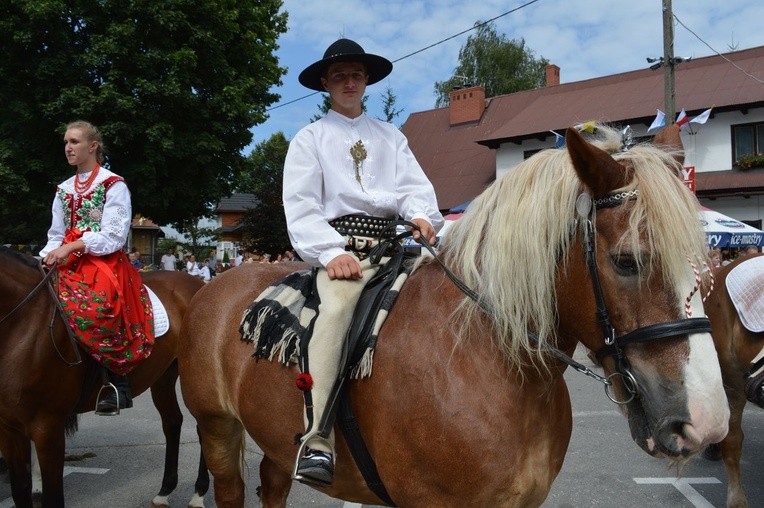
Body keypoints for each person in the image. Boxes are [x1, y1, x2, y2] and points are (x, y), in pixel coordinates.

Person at [283, 38, 443, 486]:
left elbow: (414, 187)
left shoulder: (391, 136)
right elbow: (301, 205)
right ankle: (317, 440)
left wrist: (418, 215)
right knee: (333, 313)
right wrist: (331, 252)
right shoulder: (309, 139)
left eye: (356, 74)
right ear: (325, 84)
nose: (349, 81)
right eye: (339, 76)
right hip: (341, 250)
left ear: (367, 80)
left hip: (396, 245)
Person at [39, 120, 154, 415]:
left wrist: (73, 246)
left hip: (103, 260)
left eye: (74, 142)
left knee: (97, 306)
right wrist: (47, 255)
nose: (68, 147)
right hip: (65, 258)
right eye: (66, 142)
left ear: (93, 146)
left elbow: (114, 236)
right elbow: (54, 234)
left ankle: (117, 383)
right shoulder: (63, 190)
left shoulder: (112, 184)